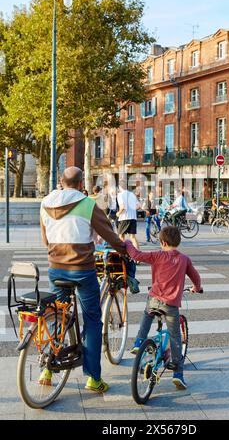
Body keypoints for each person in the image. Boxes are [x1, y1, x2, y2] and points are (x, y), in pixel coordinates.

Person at [40, 167, 126, 393]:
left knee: (56, 316)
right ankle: (93, 378)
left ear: (61, 181)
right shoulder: (88, 204)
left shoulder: (46, 202)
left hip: (56, 269)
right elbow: (108, 233)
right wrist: (125, 249)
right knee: (92, 319)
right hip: (83, 270)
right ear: (80, 184)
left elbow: (44, 239)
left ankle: (48, 368)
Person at [125, 226, 202, 390]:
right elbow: (195, 277)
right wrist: (197, 287)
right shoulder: (184, 259)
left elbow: (136, 255)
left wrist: (127, 243)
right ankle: (177, 374)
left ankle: (139, 341)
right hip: (171, 305)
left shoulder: (157, 255)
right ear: (178, 241)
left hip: (154, 299)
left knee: (147, 315)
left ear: (162, 242)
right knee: (175, 337)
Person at [117, 180, 141, 249]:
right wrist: (132, 209)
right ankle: (138, 255)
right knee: (132, 237)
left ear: (119, 187)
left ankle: (122, 254)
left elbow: (122, 207)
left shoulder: (120, 195)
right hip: (133, 217)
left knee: (121, 236)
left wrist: (118, 213)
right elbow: (139, 206)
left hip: (124, 218)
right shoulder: (132, 194)